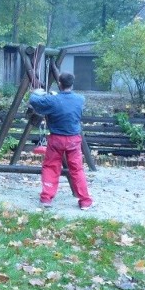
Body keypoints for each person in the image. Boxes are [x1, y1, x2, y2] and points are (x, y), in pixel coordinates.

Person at [29, 72, 94, 210]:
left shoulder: (53, 100)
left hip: (56, 139)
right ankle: (85, 201)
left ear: (59, 83)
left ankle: (46, 198)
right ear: (72, 83)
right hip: (74, 139)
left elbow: (34, 101)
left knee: (51, 167)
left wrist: (37, 92)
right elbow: (67, 105)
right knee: (77, 169)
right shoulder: (80, 99)